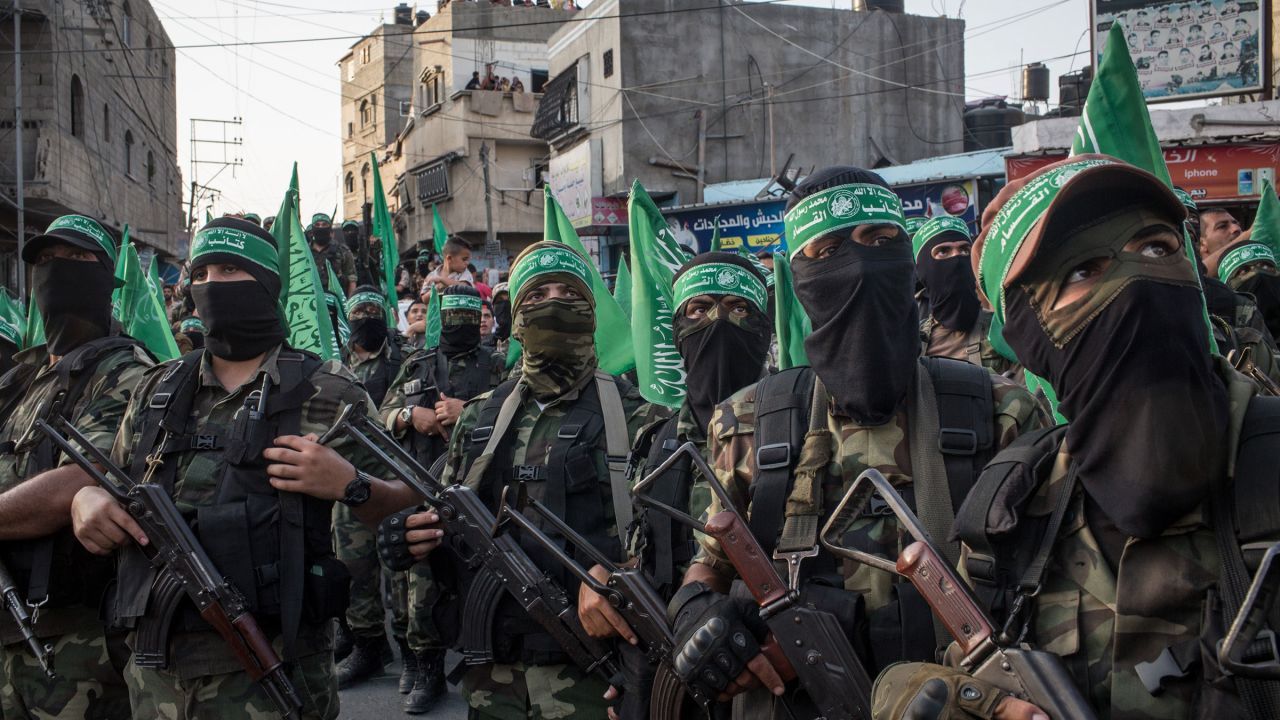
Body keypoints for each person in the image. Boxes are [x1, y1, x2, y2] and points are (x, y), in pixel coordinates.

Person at [874, 152, 1280, 720]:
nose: (1137, 278)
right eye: (1082, 271)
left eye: (1157, 248)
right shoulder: (1012, 515)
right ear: (1028, 333)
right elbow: (953, 670)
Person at [667, 167, 1049, 715]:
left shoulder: (1001, 410)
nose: (857, 262)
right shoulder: (746, 421)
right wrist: (695, 608)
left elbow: (1048, 587)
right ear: (801, 279)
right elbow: (713, 562)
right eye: (825, 251)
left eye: (879, 241)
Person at [67, 217, 419, 718]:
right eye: (202, 272)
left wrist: (350, 485)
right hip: (154, 674)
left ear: (267, 283)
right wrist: (87, 500)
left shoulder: (329, 390)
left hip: (274, 671)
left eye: (230, 269)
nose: (211, 285)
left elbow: (411, 506)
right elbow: (110, 482)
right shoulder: (156, 387)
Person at [386, 242, 661, 719]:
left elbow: (672, 550)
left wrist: (619, 573)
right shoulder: (479, 418)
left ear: (592, 312)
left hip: (593, 680)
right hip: (492, 678)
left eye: (568, 293)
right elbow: (447, 522)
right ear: (515, 315)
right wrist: (409, 539)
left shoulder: (639, 420)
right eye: (536, 296)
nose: (553, 303)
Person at [0, 215, 154, 719]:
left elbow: (83, 478)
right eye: (45, 261)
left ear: (105, 279)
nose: (55, 270)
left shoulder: (129, 372)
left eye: (75, 260)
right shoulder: (24, 377)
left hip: (74, 646)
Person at [378, 283, 506, 713]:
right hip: (420, 483)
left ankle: (482, 664)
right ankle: (425, 666)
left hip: (479, 491)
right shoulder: (416, 364)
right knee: (418, 583)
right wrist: (408, 416)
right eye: (453, 316)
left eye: (471, 316)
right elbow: (379, 414)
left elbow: (523, 410)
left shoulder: (499, 366)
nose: (462, 324)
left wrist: (466, 410)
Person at [620, 251, 772, 608]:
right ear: (678, 332)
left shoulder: (798, 425)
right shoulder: (658, 441)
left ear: (764, 329)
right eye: (699, 309)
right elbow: (647, 553)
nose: (718, 320)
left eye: (739, 309)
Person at [332, 288, 405, 691]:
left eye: (374, 312)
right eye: (359, 313)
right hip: (348, 477)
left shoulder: (403, 360)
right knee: (355, 568)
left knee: (401, 571)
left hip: (396, 477)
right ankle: (369, 645)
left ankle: (414, 653)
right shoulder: (335, 362)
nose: (367, 319)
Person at [912, 215, 1015, 375]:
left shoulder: (1003, 330)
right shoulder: (914, 343)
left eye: (964, 250)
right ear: (924, 269)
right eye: (943, 251)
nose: (957, 258)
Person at [309, 213, 358, 296]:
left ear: (329, 228)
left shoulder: (343, 250)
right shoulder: (305, 252)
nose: (320, 227)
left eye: (324, 224)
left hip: (337, 302)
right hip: (312, 301)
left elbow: (352, 279)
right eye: (317, 225)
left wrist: (349, 304)